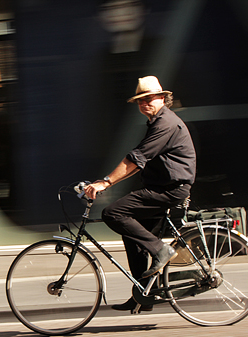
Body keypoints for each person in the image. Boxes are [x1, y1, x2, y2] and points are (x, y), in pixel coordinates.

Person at [84, 76, 196, 313]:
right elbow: (139, 163)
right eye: (140, 100)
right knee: (133, 236)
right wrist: (110, 183)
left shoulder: (165, 124)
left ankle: (161, 250)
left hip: (169, 190)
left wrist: (105, 182)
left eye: (149, 98)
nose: (144, 103)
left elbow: (136, 158)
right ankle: (143, 294)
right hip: (161, 187)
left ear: (163, 98)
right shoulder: (157, 122)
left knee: (113, 213)